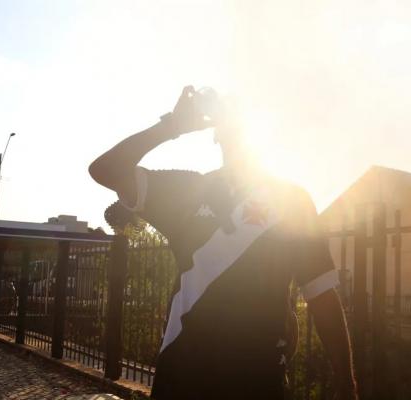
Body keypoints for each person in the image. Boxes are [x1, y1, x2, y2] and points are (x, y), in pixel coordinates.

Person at [89, 86, 358, 400]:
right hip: (183, 375)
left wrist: (345, 383)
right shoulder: (188, 190)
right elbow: (104, 170)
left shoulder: (292, 201)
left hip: (258, 378)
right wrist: (171, 126)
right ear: (216, 132)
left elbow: (322, 294)